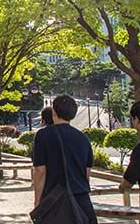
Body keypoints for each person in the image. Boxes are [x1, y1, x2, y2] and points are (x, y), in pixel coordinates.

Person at [33, 94, 97, 224]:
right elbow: (87, 172)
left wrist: (37, 201)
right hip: (81, 200)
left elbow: (40, 171)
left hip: (54, 200)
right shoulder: (83, 138)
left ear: (54, 112)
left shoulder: (43, 135)